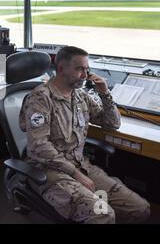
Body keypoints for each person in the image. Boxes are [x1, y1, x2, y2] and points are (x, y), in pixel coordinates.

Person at [19, 46, 150, 224]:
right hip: (50, 172)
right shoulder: (40, 99)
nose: (85, 75)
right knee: (103, 214)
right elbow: (38, 147)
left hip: (81, 167)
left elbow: (112, 123)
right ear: (61, 69)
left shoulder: (80, 96)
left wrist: (104, 93)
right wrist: (76, 174)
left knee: (139, 208)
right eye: (79, 69)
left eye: (87, 69)